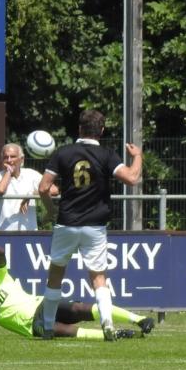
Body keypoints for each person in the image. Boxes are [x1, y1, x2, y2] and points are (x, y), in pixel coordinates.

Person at [37, 110, 142, 340]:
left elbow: (44, 187)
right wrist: (138, 156)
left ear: (79, 129)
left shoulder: (62, 153)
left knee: (55, 274)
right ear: (101, 131)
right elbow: (132, 178)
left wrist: (50, 210)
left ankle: (46, 327)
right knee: (98, 278)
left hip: (67, 223)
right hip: (95, 225)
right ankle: (107, 325)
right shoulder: (106, 155)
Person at [0, 231, 154, 339]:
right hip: (31, 327)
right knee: (62, 331)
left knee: (78, 309)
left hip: (41, 305)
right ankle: (114, 334)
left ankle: (139, 319)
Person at [0, 142, 45, 231]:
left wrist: (30, 195)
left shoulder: (31, 174)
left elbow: (53, 190)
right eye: (6, 157)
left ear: (21, 159)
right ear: (2, 160)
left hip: (28, 233)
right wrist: (8, 172)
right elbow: (0, 190)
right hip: (0, 232)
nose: (9, 160)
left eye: (13, 156)